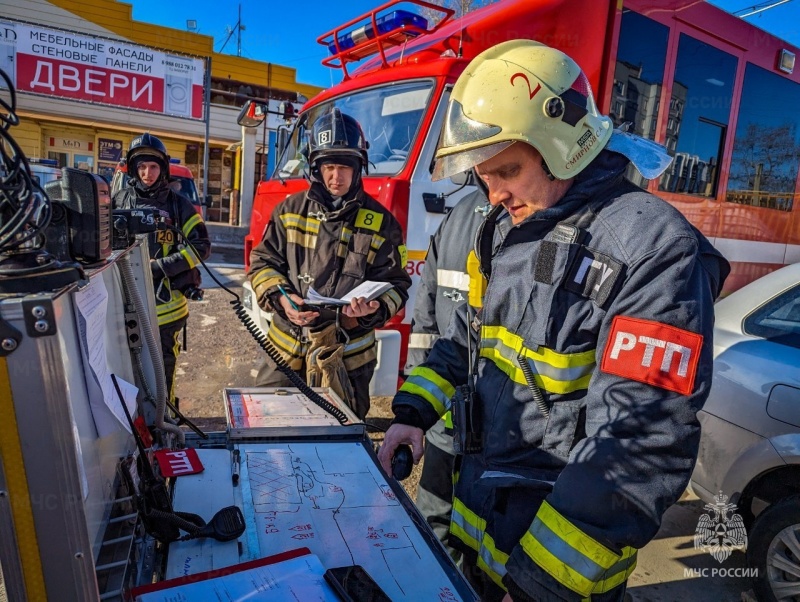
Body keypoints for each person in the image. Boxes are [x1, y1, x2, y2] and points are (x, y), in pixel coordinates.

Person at [378, 40, 730, 602]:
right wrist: (412, 414)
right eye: (484, 174)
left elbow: (641, 441)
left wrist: (543, 583)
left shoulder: (653, 250)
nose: (493, 194)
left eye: (508, 170)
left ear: (565, 145)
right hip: (482, 525)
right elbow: (469, 343)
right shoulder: (508, 224)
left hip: (557, 565)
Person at [248, 108, 411, 420]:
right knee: (267, 427)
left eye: (345, 168)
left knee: (339, 442)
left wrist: (371, 311)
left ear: (359, 168)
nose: (337, 177)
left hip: (348, 360)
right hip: (286, 351)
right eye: (330, 167)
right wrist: (283, 299)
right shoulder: (288, 210)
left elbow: (397, 285)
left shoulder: (381, 223)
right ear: (315, 167)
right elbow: (263, 263)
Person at [407, 187, 502, 559]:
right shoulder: (470, 213)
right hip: (468, 408)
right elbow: (433, 317)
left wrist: (421, 399)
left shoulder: (458, 211)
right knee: (451, 518)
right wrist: (417, 406)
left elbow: (426, 316)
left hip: (457, 407)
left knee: (445, 517)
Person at [113, 133, 211, 405]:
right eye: (142, 167)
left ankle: (164, 421)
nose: (147, 173)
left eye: (153, 167)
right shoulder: (118, 200)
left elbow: (201, 245)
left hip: (168, 311)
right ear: (133, 169)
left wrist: (160, 268)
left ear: (162, 169)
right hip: (125, 306)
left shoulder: (179, 206)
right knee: (126, 371)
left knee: (163, 372)